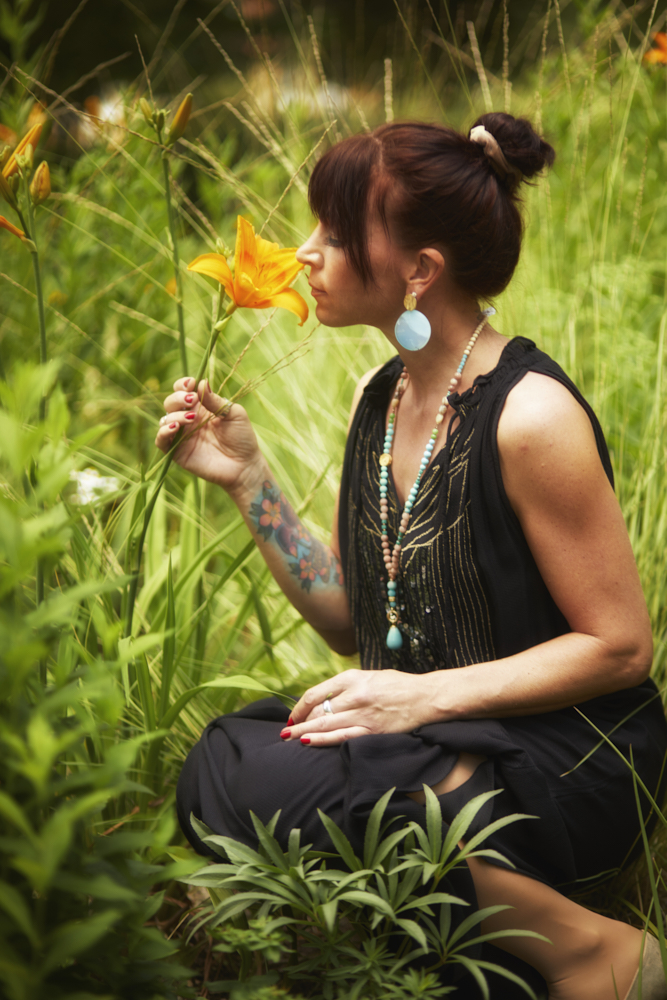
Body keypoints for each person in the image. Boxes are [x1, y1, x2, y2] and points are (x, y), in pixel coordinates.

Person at [156, 113, 667, 1000]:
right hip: (427, 742)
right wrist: (247, 478)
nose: (305, 253)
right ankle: (472, 936)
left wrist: (419, 697)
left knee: (372, 787)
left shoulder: (529, 416)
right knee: (226, 755)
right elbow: (354, 617)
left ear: (419, 271)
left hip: (563, 756)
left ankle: (593, 953)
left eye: (336, 234)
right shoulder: (380, 397)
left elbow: (621, 647)